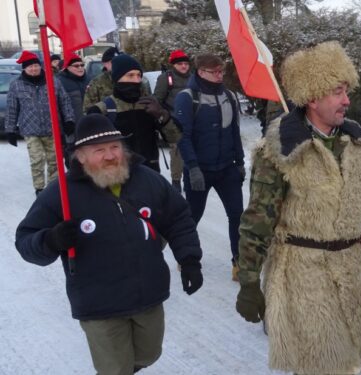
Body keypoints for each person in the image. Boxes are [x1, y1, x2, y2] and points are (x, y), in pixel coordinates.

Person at [235, 41, 361, 374]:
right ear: (313, 97)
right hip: (302, 273)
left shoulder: (352, 142)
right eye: (338, 91)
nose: (347, 100)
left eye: (346, 91)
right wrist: (250, 282)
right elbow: (257, 221)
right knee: (319, 362)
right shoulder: (280, 150)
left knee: (350, 357)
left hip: (350, 270)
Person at [15, 114, 203, 374]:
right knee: (115, 369)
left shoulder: (147, 179)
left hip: (147, 293)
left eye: (114, 147)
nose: (110, 155)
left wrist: (190, 258)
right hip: (98, 302)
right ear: (80, 157)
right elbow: (25, 240)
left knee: (150, 354)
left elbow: (178, 217)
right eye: (99, 150)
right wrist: (50, 240)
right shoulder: (61, 192)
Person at [174, 54, 244, 280]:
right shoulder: (187, 97)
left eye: (221, 71)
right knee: (193, 217)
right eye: (214, 72)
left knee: (237, 215)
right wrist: (192, 167)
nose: (219, 75)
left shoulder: (229, 96)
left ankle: (239, 262)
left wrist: (240, 162)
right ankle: (186, 258)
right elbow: (182, 137)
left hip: (226, 169)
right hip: (200, 170)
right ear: (201, 72)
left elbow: (234, 131)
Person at [88, 54, 180, 172]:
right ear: (117, 78)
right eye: (130, 75)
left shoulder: (149, 104)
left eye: (138, 75)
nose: (136, 80)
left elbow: (175, 138)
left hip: (150, 174)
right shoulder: (102, 110)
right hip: (118, 177)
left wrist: (162, 115)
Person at [4, 50, 75, 195]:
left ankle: (53, 189)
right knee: (37, 160)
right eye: (30, 67)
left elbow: (65, 102)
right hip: (30, 129)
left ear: (40, 66)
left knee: (54, 160)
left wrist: (69, 120)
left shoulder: (53, 81)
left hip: (52, 128)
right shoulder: (16, 85)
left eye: (36, 66)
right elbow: (12, 108)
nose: (34, 69)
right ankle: (39, 189)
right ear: (24, 68)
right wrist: (10, 129)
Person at [154, 49, 191, 192]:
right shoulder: (166, 78)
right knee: (177, 150)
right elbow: (157, 99)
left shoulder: (193, 78)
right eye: (180, 64)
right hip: (173, 120)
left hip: (191, 120)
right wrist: (163, 119)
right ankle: (176, 181)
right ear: (173, 65)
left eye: (186, 63)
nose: (184, 66)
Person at [84, 47, 150, 109]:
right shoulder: (96, 83)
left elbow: (146, 101)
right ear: (104, 64)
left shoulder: (135, 81)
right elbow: (88, 108)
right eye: (112, 61)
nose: (117, 63)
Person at [57, 52, 91, 160]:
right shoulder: (59, 82)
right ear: (68, 67)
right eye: (76, 66)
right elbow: (57, 106)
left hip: (89, 125)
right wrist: (64, 125)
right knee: (73, 157)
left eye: (82, 65)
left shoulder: (89, 79)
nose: (80, 68)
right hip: (71, 127)